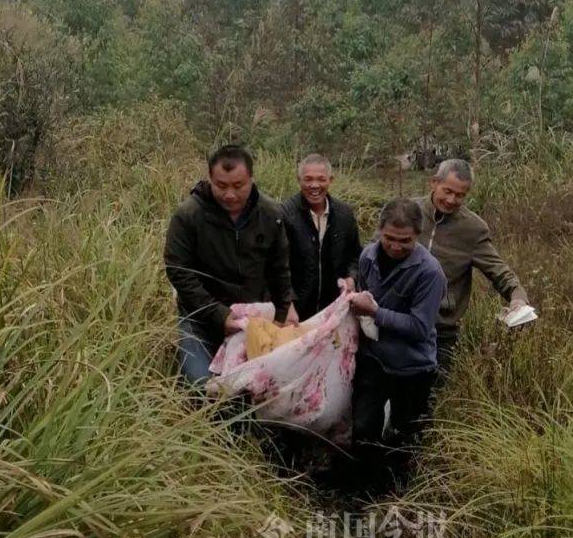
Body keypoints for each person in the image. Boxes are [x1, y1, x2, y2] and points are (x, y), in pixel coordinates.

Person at [164, 144, 298, 384]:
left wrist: (282, 311)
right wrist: (219, 315)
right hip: (201, 316)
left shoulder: (270, 214)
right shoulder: (188, 216)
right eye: (221, 185)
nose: (229, 195)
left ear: (251, 179)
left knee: (259, 383)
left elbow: (280, 269)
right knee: (201, 382)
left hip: (253, 316)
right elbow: (179, 272)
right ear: (210, 179)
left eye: (238, 186)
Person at [349, 198, 446, 491]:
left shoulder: (430, 273)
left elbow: (419, 327)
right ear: (379, 231)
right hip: (374, 359)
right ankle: (363, 491)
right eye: (389, 238)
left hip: (412, 366)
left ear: (417, 236)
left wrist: (375, 313)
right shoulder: (367, 257)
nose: (395, 246)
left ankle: (399, 494)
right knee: (364, 427)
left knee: (404, 436)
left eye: (405, 241)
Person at [414, 158, 529, 376]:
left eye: (460, 195)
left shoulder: (472, 229)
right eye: (447, 191)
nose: (451, 200)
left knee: (430, 402)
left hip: (441, 332)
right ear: (434, 183)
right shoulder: (409, 211)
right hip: (397, 321)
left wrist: (517, 296)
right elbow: (374, 252)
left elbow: (499, 271)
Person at [281, 154, 361, 320]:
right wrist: (287, 303)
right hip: (295, 311)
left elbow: (354, 255)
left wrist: (352, 277)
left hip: (333, 309)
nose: (314, 185)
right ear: (299, 180)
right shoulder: (285, 214)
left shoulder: (344, 214)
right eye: (308, 179)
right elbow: (275, 266)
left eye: (321, 179)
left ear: (330, 180)